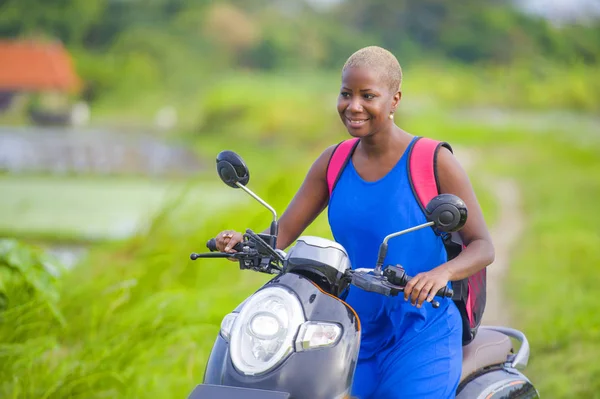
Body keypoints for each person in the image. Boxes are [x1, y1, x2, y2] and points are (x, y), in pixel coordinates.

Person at [214, 46, 495, 399]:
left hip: (423, 327)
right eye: (346, 94)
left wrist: (440, 274)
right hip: (352, 325)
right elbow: (281, 235)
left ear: (395, 100)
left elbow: (483, 245)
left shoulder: (433, 161)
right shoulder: (333, 162)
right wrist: (243, 243)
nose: (354, 106)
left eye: (368, 96)